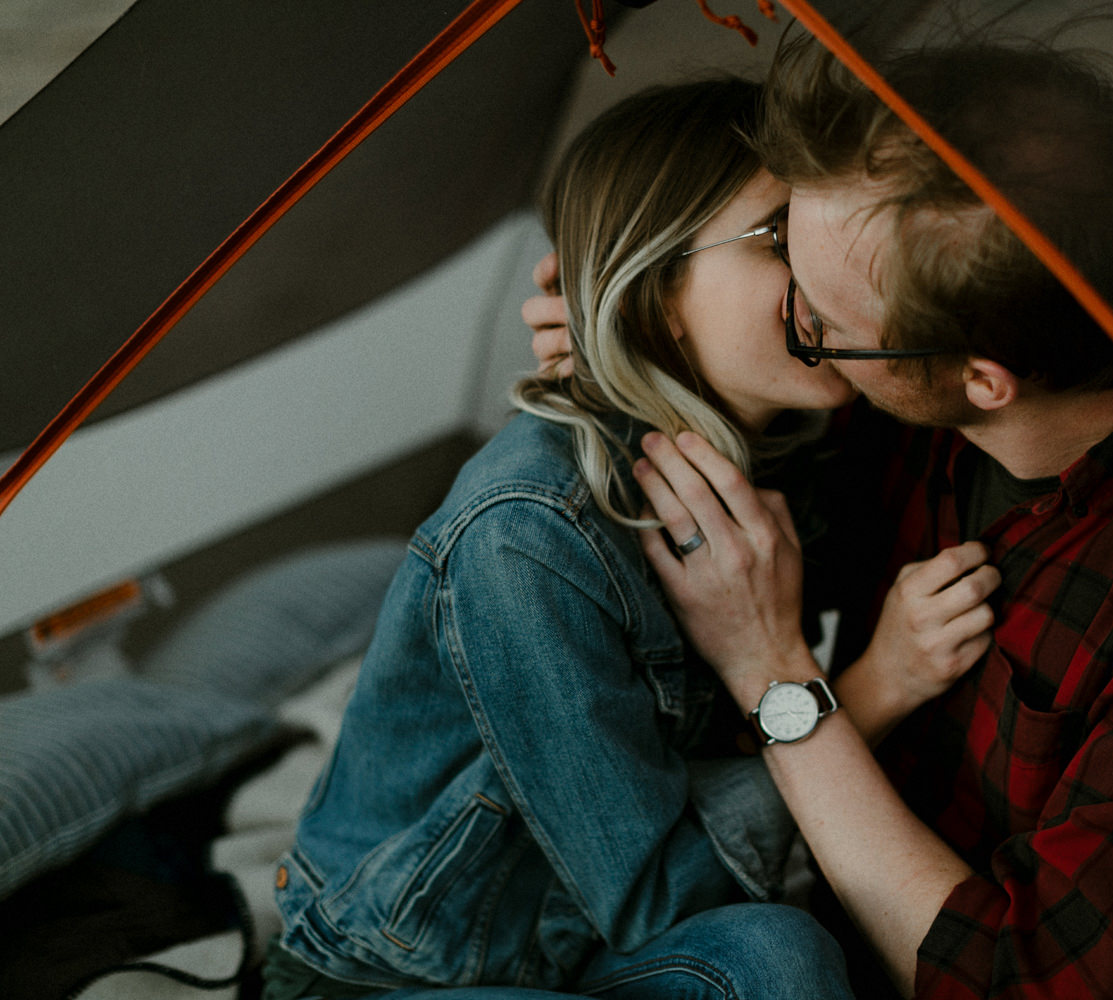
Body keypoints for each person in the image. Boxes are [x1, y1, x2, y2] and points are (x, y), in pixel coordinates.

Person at [601, 36, 1113, 1000]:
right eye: (781, 252)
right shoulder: (912, 403)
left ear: (981, 380)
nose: (795, 320)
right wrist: (633, 337)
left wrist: (772, 673)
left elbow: (1009, 983)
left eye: (821, 325)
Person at [265, 78, 999, 1000]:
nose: (827, 269)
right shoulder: (529, 533)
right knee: (779, 959)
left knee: (775, 953)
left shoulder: (785, 449)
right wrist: (873, 690)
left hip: (584, 950)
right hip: (404, 977)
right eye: (779, 238)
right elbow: (660, 898)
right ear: (655, 294)